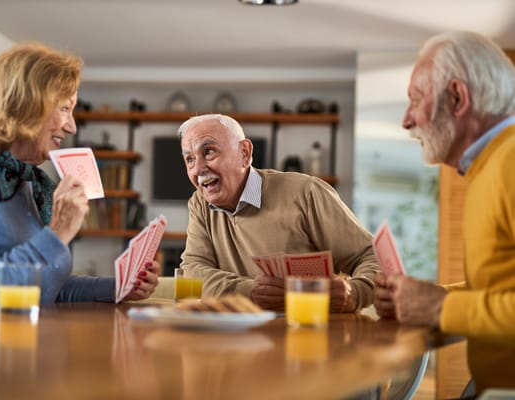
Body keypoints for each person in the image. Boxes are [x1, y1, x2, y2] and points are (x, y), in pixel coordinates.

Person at [0, 42, 160, 305]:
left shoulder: (30, 182)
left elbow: (47, 286)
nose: (72, 127)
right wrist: (56, 234)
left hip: (18, 333)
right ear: (25, 105)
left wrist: (119, 288)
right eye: (65, 109)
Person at [373, 31, 515, 394]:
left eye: (415, 99)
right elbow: (501, 291)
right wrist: (422, 300)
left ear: (457, 97)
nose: (406, 120)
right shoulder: (490, 165)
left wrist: (441, 307)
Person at [177, 113, 379, 312]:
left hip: (311, 333)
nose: (198, 169)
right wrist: (253, 292)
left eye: (209, 151)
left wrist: (354, 294)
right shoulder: (199, 204)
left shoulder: (306, 193)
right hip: (235, 337)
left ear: (244, 153)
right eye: (190, 159)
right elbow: (194, 271)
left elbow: (372, 257)